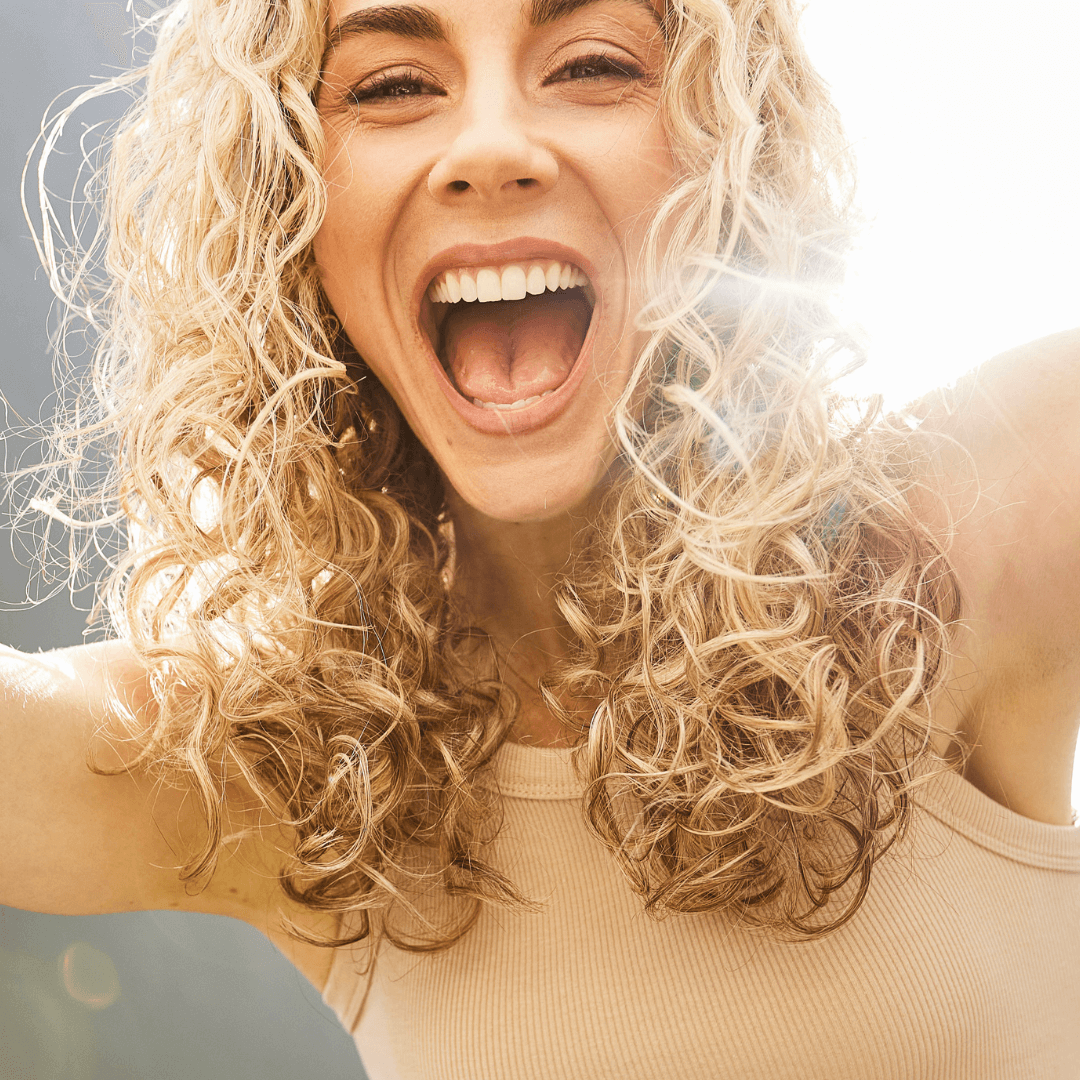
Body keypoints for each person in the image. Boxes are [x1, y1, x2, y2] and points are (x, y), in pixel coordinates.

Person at [2, 0, 1078, 1076]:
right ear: (291, 198)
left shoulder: (965, 542)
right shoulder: (304, 772)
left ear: (728, 153)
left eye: (592, 65)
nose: (490, 150)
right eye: (391, 85)